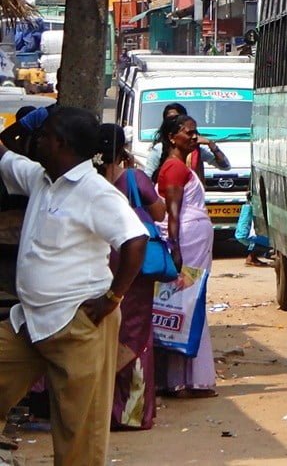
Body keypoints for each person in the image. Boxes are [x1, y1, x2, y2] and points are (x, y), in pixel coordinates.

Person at [0, 105, 147, 466]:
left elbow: (135, 240)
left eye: (44, 135)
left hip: (77, 326)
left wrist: (113, 297)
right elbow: (4, 154)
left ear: (61, 143)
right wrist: (20, 127)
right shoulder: (40, 178)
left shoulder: (95, 192)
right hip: (31, 322)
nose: (37, 141)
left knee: (78, 435)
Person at [98, 125, 165, 431]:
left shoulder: (89, 180)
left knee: (105, 333)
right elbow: (160, 213)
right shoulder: (133, 178)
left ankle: (102, 407)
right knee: (136, 334)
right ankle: (132, 411)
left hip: (100, 265)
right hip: (133, 267)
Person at [155, 115, 218, 398]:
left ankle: (183, 378)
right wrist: (176, 248)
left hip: (191, 239)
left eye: (195, 133)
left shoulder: (179, 167)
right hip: (187, 242)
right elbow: (173, 214)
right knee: (187, 306)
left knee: (188, 305)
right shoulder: (174, 169)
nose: (194, 137)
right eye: (188, 133)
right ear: (172, 137)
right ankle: (184, 380)